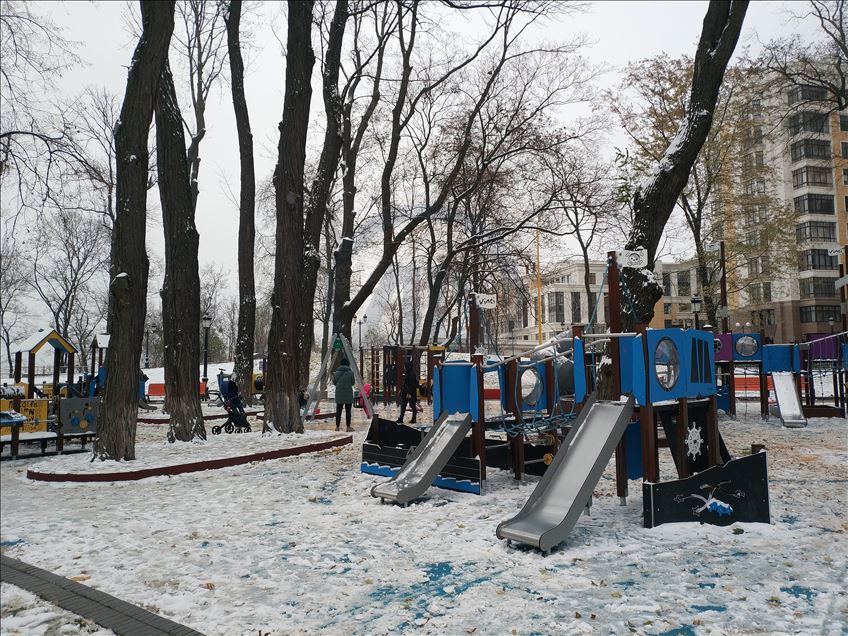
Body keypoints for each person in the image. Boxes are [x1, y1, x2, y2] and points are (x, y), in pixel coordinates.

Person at [333, 358, 355, 432]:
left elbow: (334, 383)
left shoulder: (336, 373)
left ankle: (337, 427)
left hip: (339, 394)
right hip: (348, 394)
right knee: (348, 411)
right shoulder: (351, 372)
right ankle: (348, 427)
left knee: (338, 411)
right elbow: (353, 383)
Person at [396, 360, 419, 424]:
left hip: (409, 393)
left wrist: (409, 393)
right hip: (406, 392)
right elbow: (405, 383)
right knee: (404, 405)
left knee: (412, 406)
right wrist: (401, 390)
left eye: (405, 366)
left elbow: (411, 385)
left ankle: (413, 419)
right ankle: (401, 418)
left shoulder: (411, 374)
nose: (404, 367)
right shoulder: (408, 373)